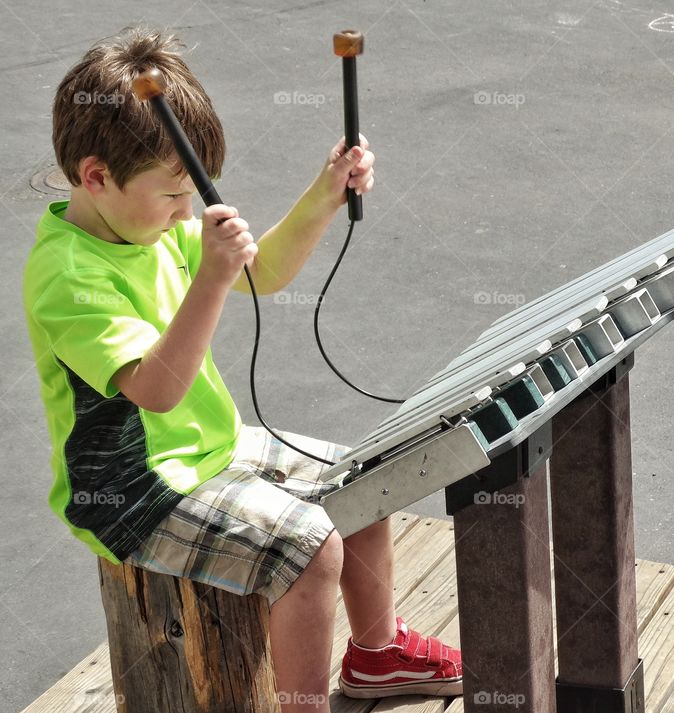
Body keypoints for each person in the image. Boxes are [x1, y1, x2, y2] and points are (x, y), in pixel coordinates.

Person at [22, 26, 462, 713]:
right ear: (95, 176)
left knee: (365, 477)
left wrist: (326, 190)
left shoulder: (145, 225)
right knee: (309, 548)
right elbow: (157, 390)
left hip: (209, 451)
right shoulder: (66, 275)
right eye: (172, 195)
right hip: (132, 489)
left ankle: (377, 656)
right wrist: (211, 279)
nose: (185, 212)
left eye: (191, 194)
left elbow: (269, 271)